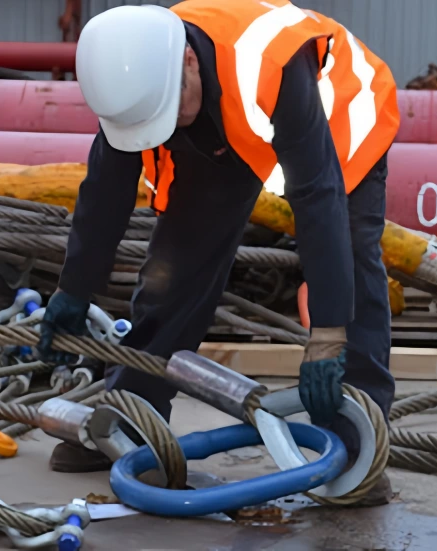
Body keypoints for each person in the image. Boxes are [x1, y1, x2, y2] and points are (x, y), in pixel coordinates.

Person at [37, 0, 400, 505]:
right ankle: (134, 415)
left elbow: (319, 198)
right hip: (227, 127)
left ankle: (356, 442)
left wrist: (328, 336)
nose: (167, 123)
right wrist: (72, 291)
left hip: (338, 119)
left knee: (352, 258)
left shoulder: (266, 64)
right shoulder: (138, 77)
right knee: (176, 264)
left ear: (189, 60)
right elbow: (105, 193)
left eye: (172, 109)